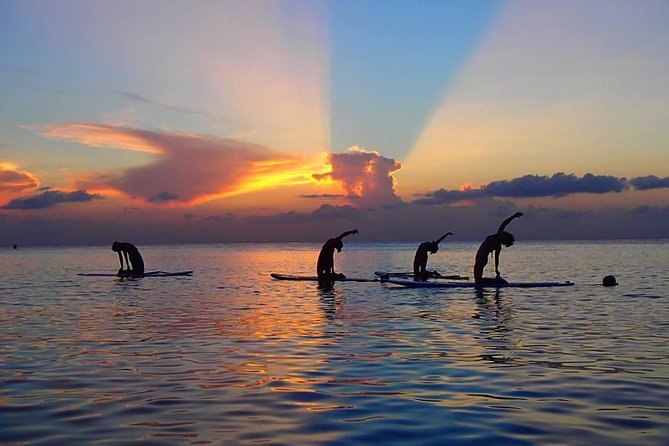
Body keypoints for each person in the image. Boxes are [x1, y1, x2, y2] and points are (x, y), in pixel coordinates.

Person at [474, 212, 523, 283]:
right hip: (481, 258)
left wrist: (496, 269)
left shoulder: (498, 243)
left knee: (478, 281)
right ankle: (496, 281)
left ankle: (497, 281)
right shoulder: (498, 238)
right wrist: (513, 216)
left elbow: (496, 258)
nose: (504, 232)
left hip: (481, 259)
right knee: (478, 281)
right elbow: (505, 223)